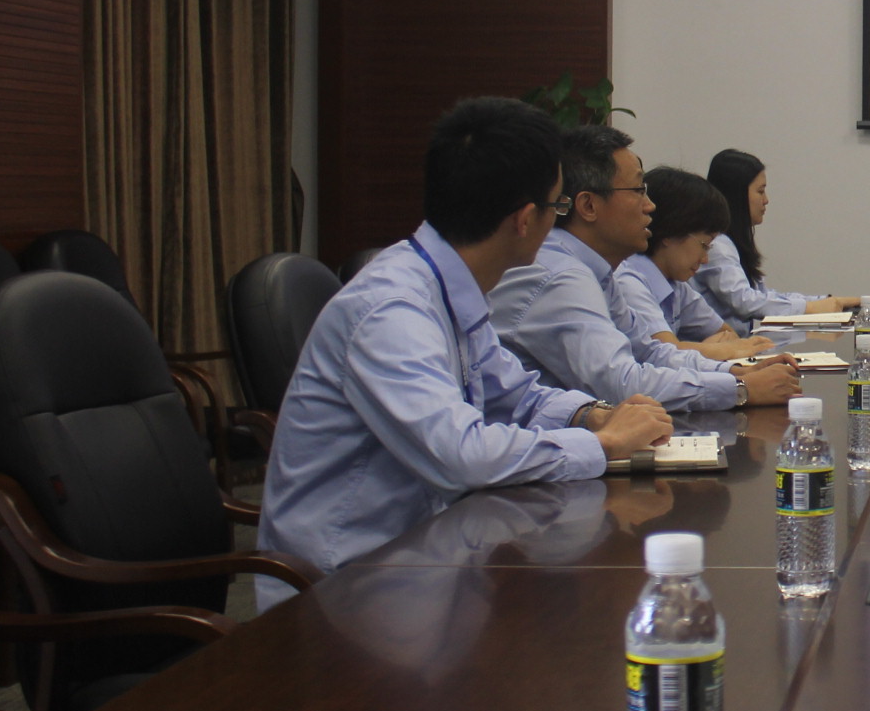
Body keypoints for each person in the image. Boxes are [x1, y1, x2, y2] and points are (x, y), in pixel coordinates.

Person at [257, 97, 674, 600]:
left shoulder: (449, 286)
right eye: (557, 208)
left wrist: (593, 416)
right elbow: (462, 456)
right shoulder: (393, 311)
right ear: (526, 220)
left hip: (427, 555)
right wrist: (604, 445)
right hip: (344, 587)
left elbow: (517, 396)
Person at [491, 125, 800, 413]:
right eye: (638, 190)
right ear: (588, 206)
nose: (650, 206)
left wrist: (735, 372)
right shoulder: (560, 276)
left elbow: (650, 353)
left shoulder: (598, 271)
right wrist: (740, 389)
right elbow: (620, 384)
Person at [616, 167, 770, 362]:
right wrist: (714, 349)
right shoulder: (629, 282)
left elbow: (727, 334)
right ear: (670, 233)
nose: (705, 259)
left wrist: (704, 349)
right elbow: (665, 353)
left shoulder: (676, 285)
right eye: (704, 245)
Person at [699, 148, 857, 329]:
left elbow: (764, 296)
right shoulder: (717, 246)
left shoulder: (730, 243)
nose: (766, 200)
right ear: (737, 195)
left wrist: (827, 301)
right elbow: (745, 302)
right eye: (760, 191)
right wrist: (811, 308)